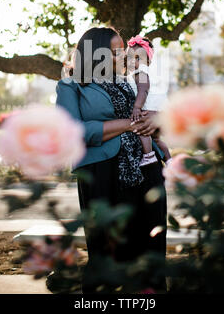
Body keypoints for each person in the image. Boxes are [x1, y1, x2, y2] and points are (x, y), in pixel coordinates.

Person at [56, 26, 167, 293]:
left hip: (147, 169)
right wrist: (128, 124)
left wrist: (155, 121)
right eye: (116, 53)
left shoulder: (127, 83)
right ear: (97, 55)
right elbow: (72, 132)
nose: (124, 58)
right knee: (109, 249)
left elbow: (143, 121)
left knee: (150, 247)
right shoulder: (70, 85)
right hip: (102, 173)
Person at [125, 35, 172, 167]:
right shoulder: (136, 73)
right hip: (156, 108)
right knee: (156, 138)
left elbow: (143, 90)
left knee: (141, 129)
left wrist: (136, 107)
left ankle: (148, 156)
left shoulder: (141, 72)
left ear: (148, 61)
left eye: (138, 58)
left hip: (147, 106)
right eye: (129, 58)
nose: (133, 62)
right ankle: (169, 159)